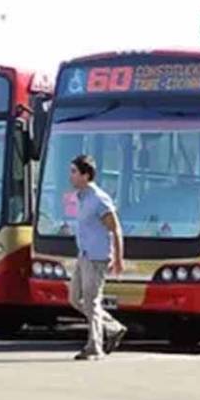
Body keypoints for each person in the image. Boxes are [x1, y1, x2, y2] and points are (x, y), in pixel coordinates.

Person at [68, 154, 128, 360]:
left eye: (74, 172)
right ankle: (112, 327)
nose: (71, 176)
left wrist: (119, 259)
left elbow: (116, 228)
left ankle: (94, 346)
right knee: (75, 299)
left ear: (86, 175)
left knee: (92, 302)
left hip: (97, 257)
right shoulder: (81, 197)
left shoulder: (98, 199)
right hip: (83, 255)